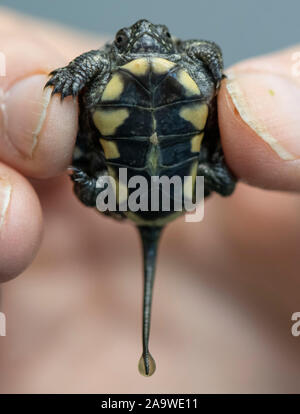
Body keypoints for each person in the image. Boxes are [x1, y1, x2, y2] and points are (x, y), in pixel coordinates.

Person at [0, 9, 300, 393]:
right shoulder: (105, 60)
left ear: (171, 41)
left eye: (158, 34)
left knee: (97, 183)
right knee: (214, 176)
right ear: (118, 46)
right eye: (129, 38)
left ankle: (96, 186)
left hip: (122, 193)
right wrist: (68, 77)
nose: (145, 36)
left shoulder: (178, 56)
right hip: (180, 188)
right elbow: (207, 60)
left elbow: (210, 56)